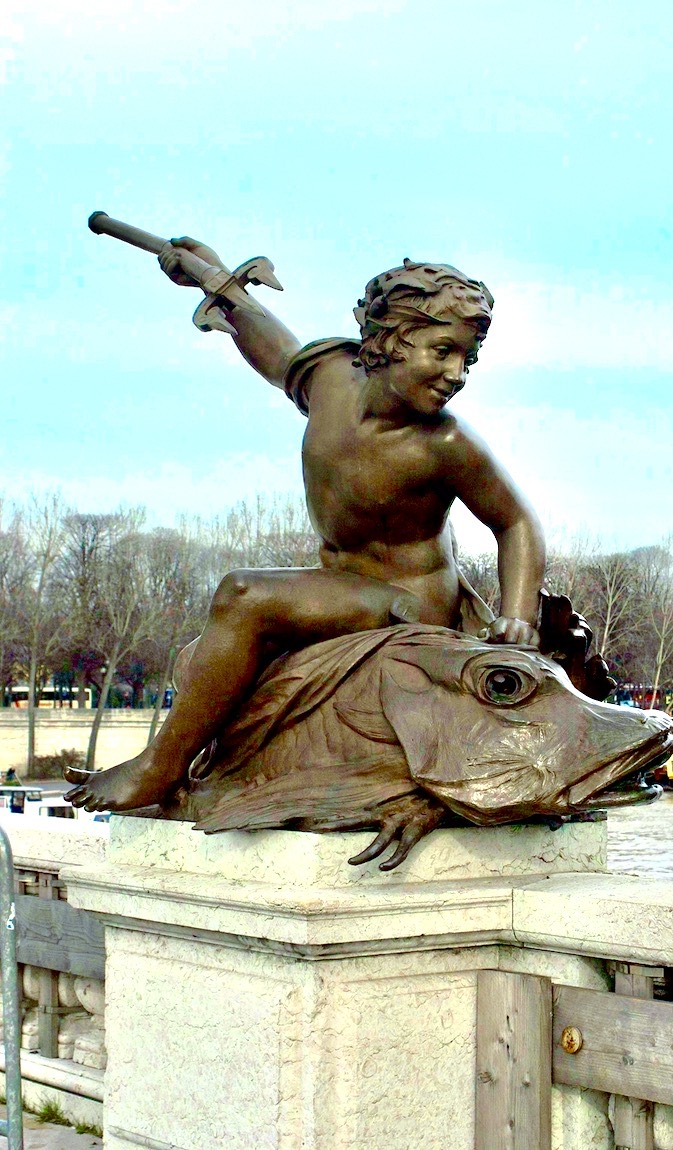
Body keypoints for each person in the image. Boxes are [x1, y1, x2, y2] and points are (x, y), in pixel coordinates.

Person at [64, 248, 545, 815]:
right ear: (388, 341)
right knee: (201, 661)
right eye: (442, 351)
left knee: (243, 595)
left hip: (409, 604)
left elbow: (516, 522)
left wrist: (518, 616)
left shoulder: (445, 444)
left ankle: (158, 770)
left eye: (468, 359)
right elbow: (277, 351)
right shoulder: (331, 381)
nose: (456, 375)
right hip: (344, 587)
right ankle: (221, 778)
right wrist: (220, 290)